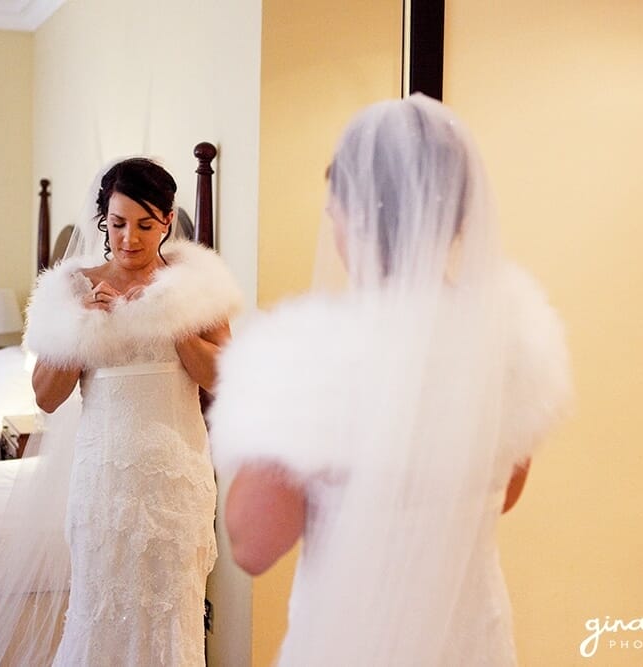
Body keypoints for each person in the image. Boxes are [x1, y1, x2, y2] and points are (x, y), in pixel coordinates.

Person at [208, 94, 572, 666]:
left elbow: (254, 544)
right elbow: (506, 495)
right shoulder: (510, 341)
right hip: (469, 638)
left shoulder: (308, 354)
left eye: (335, 217)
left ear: (355, 214)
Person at [0, 157, 242, 666]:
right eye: (119, 223)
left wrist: (169, 321)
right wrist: (84, 327)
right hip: (104, 478)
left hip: (176, 477)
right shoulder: (71, 287)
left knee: (172, 609)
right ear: (103, 219)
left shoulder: (197, 285)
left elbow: (220, 378)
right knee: (101, 604)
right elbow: (46, 395)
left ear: (167, 221)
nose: (129, 238)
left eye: (145, 225)